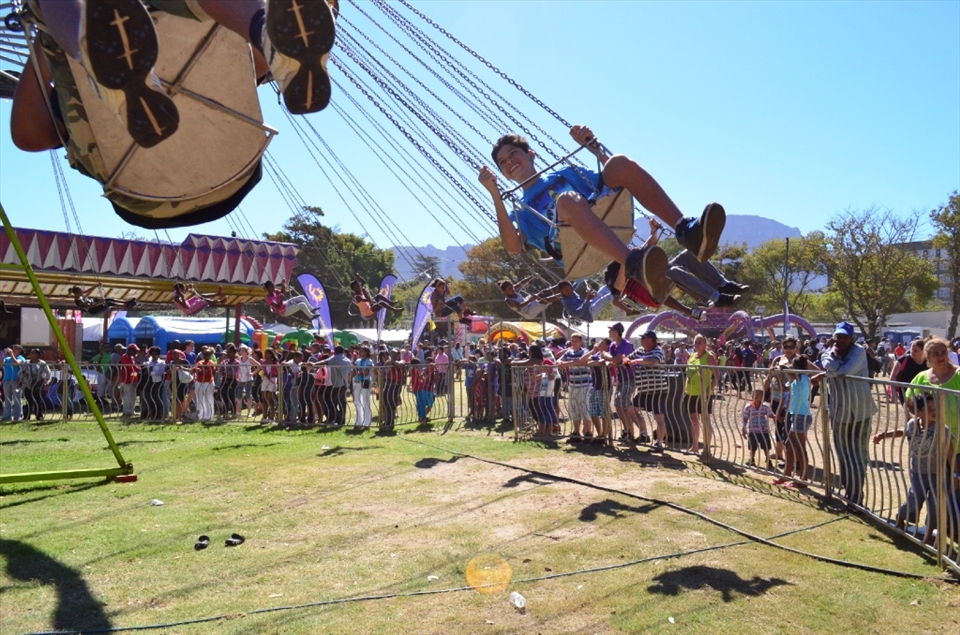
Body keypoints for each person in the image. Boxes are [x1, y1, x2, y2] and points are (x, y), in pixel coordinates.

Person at [478, 126, 728, 304]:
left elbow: (616, 177)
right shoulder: (521, 209)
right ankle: (632, 262)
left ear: (531, 154)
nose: (509, 161)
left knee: (618, 162)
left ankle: (687, 229)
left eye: (513, 153)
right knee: (567, 200)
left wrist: (594, 148)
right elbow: (512, 247)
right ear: (504, 174)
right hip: (572, 247)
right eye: (503, 162)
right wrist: (495, 194)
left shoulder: (564, 173)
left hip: (602, 215)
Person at [873, 392, 959, 542]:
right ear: (918, 412)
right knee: (914, 499)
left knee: (935, 505)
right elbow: (902, 431)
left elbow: (951, 455)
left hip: (938, 474)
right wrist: (883, 435)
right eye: (929, 408)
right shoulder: (913, 424)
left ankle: (929, 533)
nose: (934, 412)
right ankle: (900, 518)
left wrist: (955, 475)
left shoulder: (942, 429)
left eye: (935, 408)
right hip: (917, 473)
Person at [821, 321, 874, 508]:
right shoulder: (829, 350)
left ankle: (857, 498)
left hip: (861, 411)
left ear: (852, 338)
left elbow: (845, 371)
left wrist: (829, 372)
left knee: (858, 455)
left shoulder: (859, 351)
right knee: (843, 454)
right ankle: (849, 490)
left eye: (845, 337)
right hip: (839, 411)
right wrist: (832, 364)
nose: (841, 340)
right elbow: (827, 363)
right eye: (838, 336)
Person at [907, 336, 960, 459]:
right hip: (932, 445)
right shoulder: (921, 378)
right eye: (935, 354)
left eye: (943, 353)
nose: (941, 357)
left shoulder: (958, 375)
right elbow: (909, 403)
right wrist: (918, 420)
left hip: (957, 443)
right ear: (927, 356)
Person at [773, 356, 817, 487]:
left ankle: (803, 479)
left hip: (802, 416)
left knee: (799, 447)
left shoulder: (802, 378)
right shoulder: (795, 381)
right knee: (789, 444)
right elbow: (784, 387)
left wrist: (780, 365)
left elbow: (784, 368)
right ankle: (786, 474)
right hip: (796, 415)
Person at [629, 331, 669, 451]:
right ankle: (644, 434)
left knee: (659, 418)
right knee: (631, 409)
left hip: (658, 391)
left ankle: (659, 443)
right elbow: (628, 358)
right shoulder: (640, 350)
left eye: (644, 338)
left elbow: (653, 361)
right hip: (644, 391)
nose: (641, 340)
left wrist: (637, 361)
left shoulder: (658, 350)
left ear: (651, 340)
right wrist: (624, 361)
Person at [764, 336, 800, 466]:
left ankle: (792, 456)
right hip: (776, 396)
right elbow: (769, 376)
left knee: (789, 427)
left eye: (791, 347)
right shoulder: (778, 359)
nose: (789, 349)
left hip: (791, 398)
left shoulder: (798, 360)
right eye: (786, 347)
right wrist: (764, 391)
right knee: (778, 424)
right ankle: (779, 452)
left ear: (795, 347)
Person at [684, 334, 717, 454]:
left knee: (705, 420)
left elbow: (717, 375)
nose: (697, 344)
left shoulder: (709, 357)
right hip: (691, 393)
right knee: (694, 420)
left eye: (699, 342)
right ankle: (695, 446)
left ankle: (707, 448)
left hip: (704, 394)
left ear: (705, 344)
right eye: (695, 342)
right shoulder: (692, 356)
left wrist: (710, 389)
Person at [557, 333, 592, 442]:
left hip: (585, 385)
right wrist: (560, 363)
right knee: (574, 408)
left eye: (576, 341)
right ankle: (576, 432)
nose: (574, 343)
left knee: (585, 409)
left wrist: (566, 364)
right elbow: (558, 359)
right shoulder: (569, 352)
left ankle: (588, 432)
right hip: (573, 384)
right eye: (572, 341)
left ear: (581, 342)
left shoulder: (585, 351)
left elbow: (581, 361)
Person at [889, 338, 928, 411]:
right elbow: (893, 376)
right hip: (906, 394)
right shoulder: (903, 360)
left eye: (916, 350)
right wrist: (893, 393)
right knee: (910, 414)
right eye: (911, 349)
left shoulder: (928, 362)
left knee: (923, 415)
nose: (912, 352)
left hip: (924, 394)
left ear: (923, 351)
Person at [741, 389, 775, 469]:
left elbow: (771, 414)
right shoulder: (748, 407)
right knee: (753, 447)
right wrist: (743, 428)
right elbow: (745, 418)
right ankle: (752, 459)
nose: (756, 397)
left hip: (764, 431)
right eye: (755, 395)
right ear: (752, 396)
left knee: (766, 446)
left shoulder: (765, 407)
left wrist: (777, 417)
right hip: (753, 431)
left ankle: (768, 460)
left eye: (759, 395)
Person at [19, 349, 50, 421]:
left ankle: (39, 416)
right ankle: (26, 416)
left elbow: (48, 373)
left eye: (32, 353)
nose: (31, 354)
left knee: (38, 401)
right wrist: (25, 380)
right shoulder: (26, 363)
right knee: (28, 401)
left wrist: (46, 381)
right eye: (30, 353)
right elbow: (20, 373)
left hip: (38, 386)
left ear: (37, 355)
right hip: (28, 385)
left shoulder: (42, 363)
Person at [68, 285, 137, 315]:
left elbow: (88, 290)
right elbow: (90, 306)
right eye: (80, 292)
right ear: (76, 293)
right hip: (93, 310)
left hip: (94, 304)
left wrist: (96, 285)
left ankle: (126, 302)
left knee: (108, 299)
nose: (82, 292)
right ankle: (126, 306)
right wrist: (99, 302)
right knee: (109, 303)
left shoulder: (80, 295)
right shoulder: (79, 302)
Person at [350, 346, 374, 429]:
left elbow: (366, 372)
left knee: (366, 402)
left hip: (366, 382)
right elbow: (354, 370)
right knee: (357, 402)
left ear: (367, 352)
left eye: (362, 351)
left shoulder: (369, 361)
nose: (360, 353)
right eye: (360, 351)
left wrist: (358, 371)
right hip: (357, 382)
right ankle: (358, 422)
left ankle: (367, 423)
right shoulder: (357, 360)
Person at [193, 346, 217, 422]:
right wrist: (197, 369)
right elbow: (194, 369)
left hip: (208, 383)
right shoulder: (200, 362)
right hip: (199, 382)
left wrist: (200, 370)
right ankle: (200, 415)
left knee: (208, 399)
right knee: (199, 399)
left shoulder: (211, 363)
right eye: (205, 354)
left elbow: (209, 373)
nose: (206, 356)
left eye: (208, 355)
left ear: (210, 355)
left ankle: (209, 416)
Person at [2, 345, 25, 422]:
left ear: (19, 350)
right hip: (6, 380)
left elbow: (16, 363)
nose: (14, 350)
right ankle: (6, 416)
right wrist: (3, 354)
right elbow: (1, 364)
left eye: (16, 349)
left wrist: (12, 355)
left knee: (17, 398)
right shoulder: (7, 358)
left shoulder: (21, 358)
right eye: (13, 349)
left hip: (16, 380)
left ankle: (17, 416)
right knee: (7, 399)